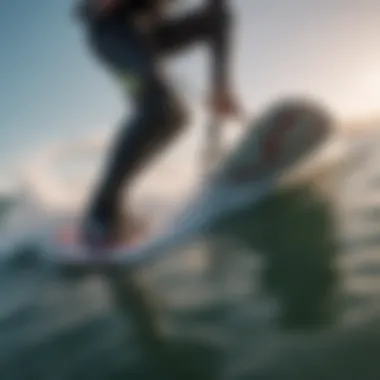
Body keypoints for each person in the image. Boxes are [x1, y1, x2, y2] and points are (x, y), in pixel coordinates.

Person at [75, 0, 240, 246]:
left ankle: (115, 201)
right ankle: (100, 211)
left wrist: (220, 84)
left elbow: (217, 19)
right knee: (159, 107)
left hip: (150, 32)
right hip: (111, 33)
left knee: (178, 117)